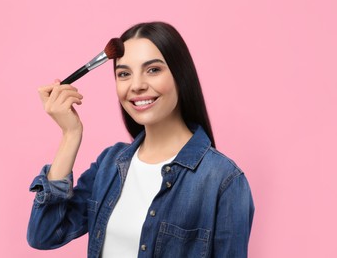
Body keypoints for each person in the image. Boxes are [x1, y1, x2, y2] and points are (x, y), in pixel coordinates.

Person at [27, 21, 255, 258]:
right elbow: (44, 233)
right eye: (124, 74)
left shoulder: (223, 180)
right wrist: (70, 135)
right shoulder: (109, 165)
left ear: (180, 75)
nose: (136, 86)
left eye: (153, 70)